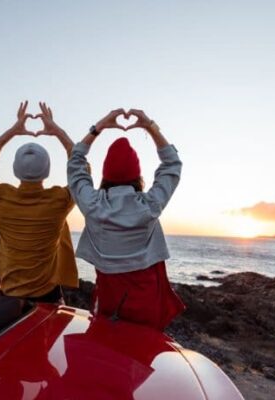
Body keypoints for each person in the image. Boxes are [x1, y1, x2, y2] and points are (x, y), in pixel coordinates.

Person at [67, 108, 186, 330]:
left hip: (110, 299)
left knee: (108, 352)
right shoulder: (150, 206)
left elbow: (75, 162)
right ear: (138, 177)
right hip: (146, 299)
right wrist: (150, 127)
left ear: (105, 176)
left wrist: (99, 127)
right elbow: (172, 165)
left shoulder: (93, 205)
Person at [0, 101, 78, 302]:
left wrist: (13, 131)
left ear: (14, 169)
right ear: (47, 170)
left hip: (9, 297)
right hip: (49, 297)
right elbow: (81, 169)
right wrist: (58, 132)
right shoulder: (59, 201)